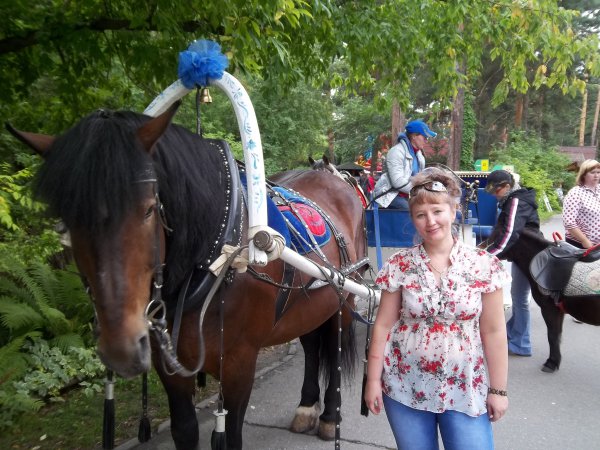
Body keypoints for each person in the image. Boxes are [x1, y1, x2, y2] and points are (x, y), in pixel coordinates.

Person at [365, 167, 510, 450]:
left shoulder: (484, 265)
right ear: (413, 220)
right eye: (421, 214)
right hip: (405, 385)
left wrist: (498, 390)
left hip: (465, 387)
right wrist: (372, 380)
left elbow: (494, 331)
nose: (430, 221)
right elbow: (382, 326)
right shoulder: (399, 265)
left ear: (454, 211)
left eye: (437, 211)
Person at [484, 169, 540, 357]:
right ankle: (513, 333)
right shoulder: (512, 199)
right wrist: (485, 250)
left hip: (528, 255)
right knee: (518, 296)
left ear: (507, 186)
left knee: (520, 299)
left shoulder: (516, 201)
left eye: (496, 190)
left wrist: (489, 256)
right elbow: (501, 231)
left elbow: (509, 233)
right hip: (524, 255)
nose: (494, 194)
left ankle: (521, 343)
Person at [372, 120, 436, 210]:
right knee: (414, 210)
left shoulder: (420, 156)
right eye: (424, 137)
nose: (426, 141)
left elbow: (420, 179)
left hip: (409, 195)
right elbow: (398, 182)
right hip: (389, 195)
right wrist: (419, 192)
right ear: (414, 136)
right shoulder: (396, 152)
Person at [562, 159, 600, 249]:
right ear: (583, 174)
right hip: (580, 244)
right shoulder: (575, 193)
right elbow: (569, 222)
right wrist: (584, 241)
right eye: (592, 172)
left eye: (598, 172)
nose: (596, 176)